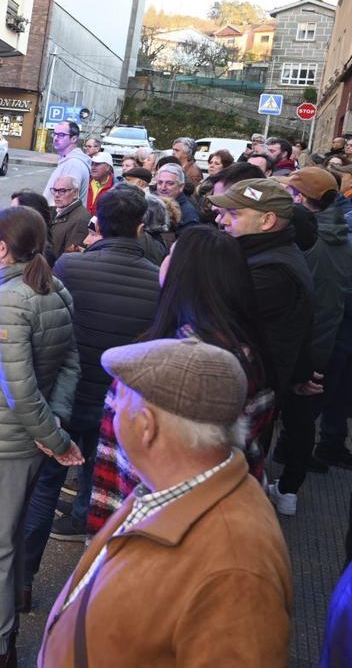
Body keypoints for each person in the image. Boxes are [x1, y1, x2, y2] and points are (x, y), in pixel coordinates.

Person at [40, 337, 291, 667]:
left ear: (147, 427)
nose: (112, 416)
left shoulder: (235, 572)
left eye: (117, 405)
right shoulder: (168, 489)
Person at [0, 206, 81, 668]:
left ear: (2, 248)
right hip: (25, 441)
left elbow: (19, 390)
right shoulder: (53, 287)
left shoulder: (9, 301)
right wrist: (55, 424)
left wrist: (56, 439)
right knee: (6, 537)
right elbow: (70, 362)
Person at [20, 187, 161, 607]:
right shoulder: (158, 277)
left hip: (69, 397)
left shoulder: (71, 266)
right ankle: (94, 592)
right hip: (119, 405)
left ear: (97, 221)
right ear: (140, 228)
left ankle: (23, 581)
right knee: (108, 492)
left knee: (44, 486)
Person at [88, 226, 276, 533]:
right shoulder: (250, 353)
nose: (164, 260)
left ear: (184, 275)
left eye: (171, 255)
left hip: (148, 531)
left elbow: (122, 467)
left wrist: (103, 545)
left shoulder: (164, 369)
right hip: (228, 516)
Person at [210, 178, 319, 517]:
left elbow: (213, 316)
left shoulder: (273, 271)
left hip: (242, 399)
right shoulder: (264, 257)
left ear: (267, 220)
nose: (221, 220)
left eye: (233, 213)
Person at [283, 168, 352, 473]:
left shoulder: (313, 240)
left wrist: (310, 361)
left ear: (300, 198)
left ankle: (289, 474)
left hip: (309, 346)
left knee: (299, 413)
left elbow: (321, 307)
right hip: (324, 344)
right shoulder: (338, 233)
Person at [44, 121, 92, 205]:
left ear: (74, 139)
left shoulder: (73, 164)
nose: (55, 138)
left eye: (61, 135)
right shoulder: (68, 160)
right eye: (54, 134)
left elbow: (67, 201)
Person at [48, 175, 89, 260]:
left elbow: (72, 257)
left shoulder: (82, 219)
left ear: (75, 193)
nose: (56, 195)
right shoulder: (55, 210)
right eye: (55, 190)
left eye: (62, 191)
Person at [154, 163, 201, 228]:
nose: (163, 187)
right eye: (160, 183)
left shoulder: (188, 214)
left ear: (181, 187)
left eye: (169, 183)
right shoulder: (153, 204)